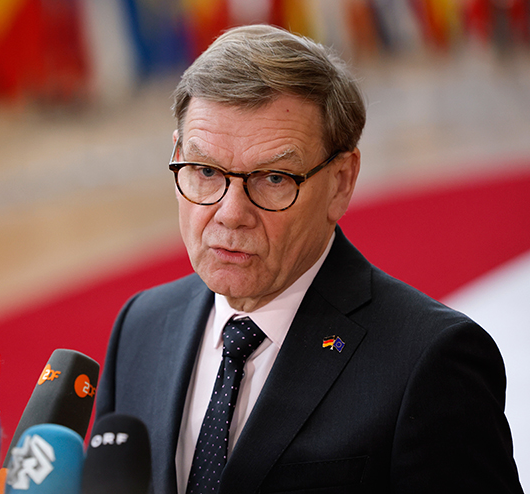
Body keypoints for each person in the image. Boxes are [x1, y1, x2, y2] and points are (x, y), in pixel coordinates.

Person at [94, 24, 523, 494]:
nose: (231, 213)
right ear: (178, 155)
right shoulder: (141, 326)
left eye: (274, 179)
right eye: (205, 170)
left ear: (341, 182)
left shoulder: (431, 360)